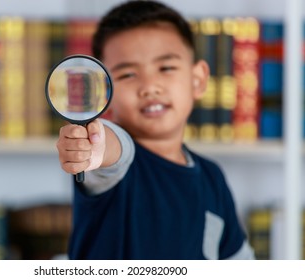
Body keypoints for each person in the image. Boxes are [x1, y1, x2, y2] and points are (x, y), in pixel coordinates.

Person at [56, 0, 255, 260]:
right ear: (104, 92)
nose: (150, 86)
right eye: (127, 74)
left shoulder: (212, 177)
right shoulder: (112, 164)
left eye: (166, 68)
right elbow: (114, 149)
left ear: (198, 79)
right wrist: (95, 146)